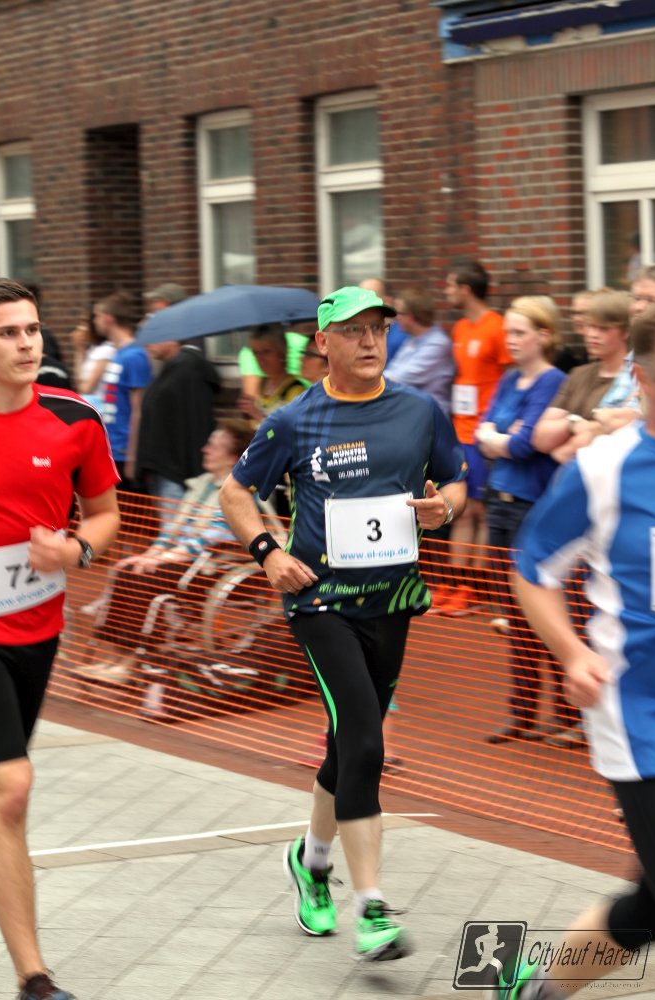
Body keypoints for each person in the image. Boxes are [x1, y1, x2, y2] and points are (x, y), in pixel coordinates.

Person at [219, 284, 467, 962]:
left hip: (393, 600)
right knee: (364, 739)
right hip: (320, 601)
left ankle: (311, 861)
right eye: (354, 330)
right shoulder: (295, 420)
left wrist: (444, 508)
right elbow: (235, 492)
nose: (369, 341)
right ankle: (372, 907)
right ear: (322, 342)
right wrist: (268, 554)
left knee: (347, 743)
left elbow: (455, 480)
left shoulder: (420, 410)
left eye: (378, 329)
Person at [495, 302, 655, 1000]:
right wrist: (569, 652)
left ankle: (534, 991)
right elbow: (532, 567)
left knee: (654, 905)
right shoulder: (604, 469)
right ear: (640, 378)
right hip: (638, 714)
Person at [0, 278, 120, 1000]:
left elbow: (105, 513)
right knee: (10, 789)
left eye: (31, 329)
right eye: (8, 332)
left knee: (0, 794)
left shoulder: (74, 418)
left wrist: (74, 550)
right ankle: (34, 978)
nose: (25, 343)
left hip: (38, 629)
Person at [72, 420, 255, 688]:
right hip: (185, 560)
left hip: (212, 567)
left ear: (231, 458)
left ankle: (129, 665)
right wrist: (151, 553)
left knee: (144, 577)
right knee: (127, 570)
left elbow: (213, 539)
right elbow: (173, 530)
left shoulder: (239, 491)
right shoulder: (202, 484)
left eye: (214, 447)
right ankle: (114, 659)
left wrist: (160, 559)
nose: (205, 450)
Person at [474, 296, 578, 743]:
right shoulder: (507, 379)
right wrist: (502, 436)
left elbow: (523, 444)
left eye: (520, 332)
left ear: (544, 335)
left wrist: (501, 438)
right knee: (513, 614)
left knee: (543, 611)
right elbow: (482, 432)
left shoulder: (553, 380)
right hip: (498, 503)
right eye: (508, 333)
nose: (511, 340)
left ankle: (568, 713)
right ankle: (523, 712)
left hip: (530, 506)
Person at [433, 260, 511, 617]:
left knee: (479, 510)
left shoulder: (496, 327)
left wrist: (497, 424)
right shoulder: (460, 328)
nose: (446, 292)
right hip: (460, 430)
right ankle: (453, 583)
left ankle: (474, 588)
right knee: (461, 509)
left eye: (450, 285)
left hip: (483, 432)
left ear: (465, 289)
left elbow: (508, 378)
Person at [532, 289, 630, 465]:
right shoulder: (578, 374)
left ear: (625, 332)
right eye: (589, 326)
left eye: (603, 328)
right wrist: (573, 423)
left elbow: (573, 452)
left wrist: (568, 437)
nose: (592, 334)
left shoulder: (635, 379)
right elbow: (540, 438)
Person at [135, 336, 220, 523]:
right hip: (165, 469)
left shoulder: (187, 370)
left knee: (175, 531)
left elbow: (194, 424)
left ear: (173, 339)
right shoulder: (173, 369)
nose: (149, 342)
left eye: (157, 336)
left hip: (175, 472)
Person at [94, 291, 152, 489]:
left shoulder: (134, 356)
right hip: (112, 449)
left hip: (123, 451)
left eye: (97, 316)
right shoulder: (119, 354)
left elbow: (138, 409)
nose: (95, 321)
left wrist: (132, 456)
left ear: (108, 318)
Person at [384, 285, 454, 417]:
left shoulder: (437, 345)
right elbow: (392, 369)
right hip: (412, 415)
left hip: (432, 420)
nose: (396, 318)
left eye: (399, 313)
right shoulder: (413, 339)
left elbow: (398, 378)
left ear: (410, 317)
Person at [237, 324, 307, 423]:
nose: (260, 359)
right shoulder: (263, 384)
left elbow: (287, 430)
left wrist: (257, 415)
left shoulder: (296, 391)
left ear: (282, 352)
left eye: (266, 352)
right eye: (256, 353)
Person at [69, 313, 115, 407]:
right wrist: (79, 350)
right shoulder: (93, 349)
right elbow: (78, 380)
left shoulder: (106, 350)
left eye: (85, 323)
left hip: (99, 407)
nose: (81, 328)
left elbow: (86, 388)